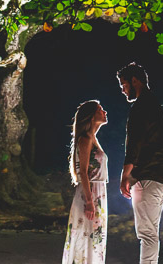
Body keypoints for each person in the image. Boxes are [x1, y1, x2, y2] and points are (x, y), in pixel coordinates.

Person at [117, 62, 163, 264]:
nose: (123, 90)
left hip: (148, 177)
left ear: (134, 81)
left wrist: (125, 175)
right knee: (151, 233)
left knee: (147, 235)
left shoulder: (140, 107)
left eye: (124, 85)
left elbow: (134, 143)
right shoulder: (156, 105)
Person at [62, 100, 109, 264]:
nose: (104, 112)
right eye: (100, 109)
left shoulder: (93, 138)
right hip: (90, 194)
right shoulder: (85, 139)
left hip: (98, 192)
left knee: (95, 237)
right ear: (91, 116)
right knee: (87, 236)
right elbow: (83, 171)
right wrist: (89, 201)